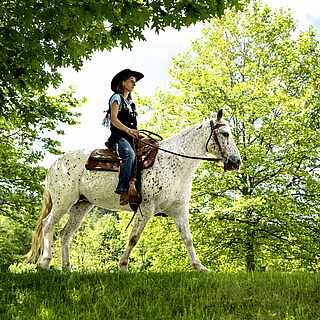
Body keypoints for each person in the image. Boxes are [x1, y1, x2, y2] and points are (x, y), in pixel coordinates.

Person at [102, 69, 144, 205]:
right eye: (132, 81)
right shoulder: (116, 98)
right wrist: (128, 130)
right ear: (123, 82)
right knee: (130, 155)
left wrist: (137, 133)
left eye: (135, 82)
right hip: (119, 137)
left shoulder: (131, 104)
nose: (134, 84)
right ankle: (123, 189)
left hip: (131, 138)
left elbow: (133, 125)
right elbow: (114, 120)